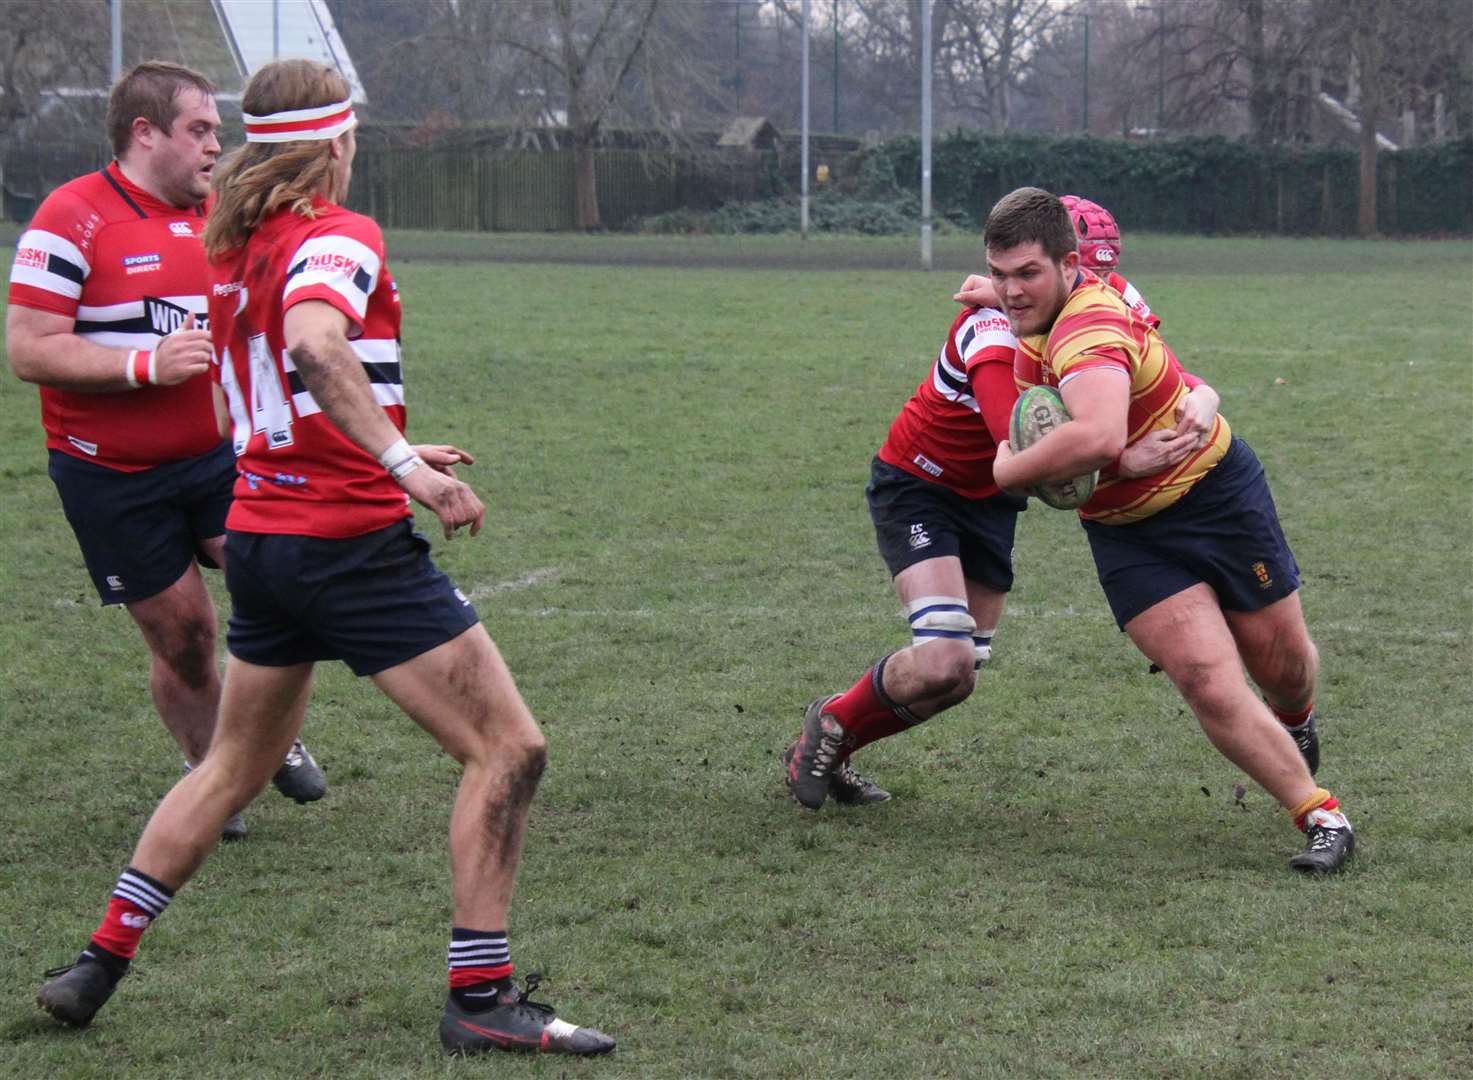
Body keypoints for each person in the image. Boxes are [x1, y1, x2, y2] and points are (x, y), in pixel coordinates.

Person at [35, 59, 616, 1057]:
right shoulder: (338, 235)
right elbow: (314, 347)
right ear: (336, 142)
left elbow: (283, 388)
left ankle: (99, 960)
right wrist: (404, 467)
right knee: (509, 750)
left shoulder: (236, 243)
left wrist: (387, 441)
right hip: (344, 546)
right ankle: (481, 997)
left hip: (263, 532)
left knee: (232, 765)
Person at [783, 216, 1220, 810]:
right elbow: (1017, 455)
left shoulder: (1100, 301)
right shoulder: (991, 334)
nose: (1099, 286)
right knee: (943, 656)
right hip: (922, 487)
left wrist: (1201, 394)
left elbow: (1160, 369)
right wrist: (1123, 460)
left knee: (959, 675)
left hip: (992, 504)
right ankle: (830, 724)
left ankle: (836, 740)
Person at [985, 186, 1352, 873]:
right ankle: (1322, 817)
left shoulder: (1084, 327)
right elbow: (1121, 415)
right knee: (1207, 681)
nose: (1009, 291)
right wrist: (994, 288)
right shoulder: (1043, 304)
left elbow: (1093, 438)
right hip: (1127, 532)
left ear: (1070, 266)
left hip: (1215, 497)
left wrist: (1008, 470)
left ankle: (1295, 720)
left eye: (1025, 274)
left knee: (1284, 666)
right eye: (999, 274)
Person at [6, 61, 326, 839]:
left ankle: (262, 736)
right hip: (110, 473)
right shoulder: (71, 216)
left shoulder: (221, 215)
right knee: (186, 635)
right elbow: (28, 348)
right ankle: (212, 770)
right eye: (200, 129)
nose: (218, 143)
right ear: (144, 133)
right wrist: (141, 364)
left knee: (286, 585)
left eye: (219, 129)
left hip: (218, 459)